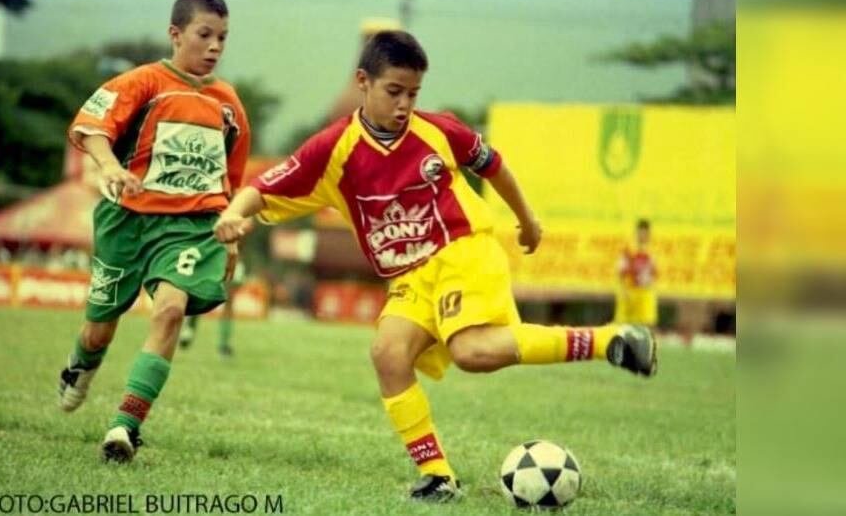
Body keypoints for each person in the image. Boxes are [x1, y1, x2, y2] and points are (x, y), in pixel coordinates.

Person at [214, 31, 656, 502]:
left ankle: (611, 340)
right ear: (363, 82)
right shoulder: (333, 148)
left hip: (464, 250)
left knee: (471, 352)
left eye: (413, 93)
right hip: (411, 277)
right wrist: (233, 215)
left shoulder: (440, 131)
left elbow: (495, 167)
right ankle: (439, 477)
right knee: (388, 353)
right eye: (394, 91)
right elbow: (263, 185)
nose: (405, 104)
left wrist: (527, 220)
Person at [56, 0, 250, 464]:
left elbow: (233, 184)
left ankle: (125, 425)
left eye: (222, 38)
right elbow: (90, 129)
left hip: (189, 227)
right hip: (127, 222)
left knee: (169, 311)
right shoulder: (144, 82)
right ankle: (81, 365)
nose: (214, 47)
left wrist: (230, 232)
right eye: (205, 35)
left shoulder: (229, 105)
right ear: (175, 33)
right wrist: (109, 167)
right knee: (99, 330)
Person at [178, 259, 245, 356]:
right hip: (211, 256)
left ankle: (224, 344)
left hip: (233, 258)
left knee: (229, 299)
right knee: (201, 292)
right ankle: (190, 327)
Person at [614, 219, 659, 328]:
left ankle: (647, 345)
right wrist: (624, 290)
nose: (642, 236)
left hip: (645, 292)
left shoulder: (653, 251)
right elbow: (620, 272)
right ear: (636, 233)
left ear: (649, 234)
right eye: (640, 232)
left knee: (648, 324)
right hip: (630, 291)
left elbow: (655, 272)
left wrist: (650, 284)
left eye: (645, 233)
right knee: (624, 325)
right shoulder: (629, 249)